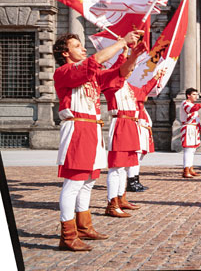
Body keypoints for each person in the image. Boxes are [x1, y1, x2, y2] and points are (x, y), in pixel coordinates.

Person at [52, 28, 143, 252]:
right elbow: (95, 61)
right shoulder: (65, 71)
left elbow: (117, 74)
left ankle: (84, 226)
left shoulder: (89, 74)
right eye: (76, 46)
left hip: (93, 128)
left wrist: (132, 54)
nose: (83, 48)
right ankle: (68, 234)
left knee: (89, 180)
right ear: (65, 53)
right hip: (78, 127)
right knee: (73, 182)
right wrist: (121, 41)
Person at [102, 47, 159, 217]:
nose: (130, 71)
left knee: (126, 166)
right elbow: (119, 69)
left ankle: (121, 198)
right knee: (116, 168)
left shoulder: (129, 87)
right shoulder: (112, 83)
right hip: (121, 123)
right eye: (129, 69)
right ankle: (112, 204)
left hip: (132, 125)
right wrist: (124, 54)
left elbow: (144, 91)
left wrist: (156, 77)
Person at [180, 88, 201, 178]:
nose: (197, 96)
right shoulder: (185, 103)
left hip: (194, 128)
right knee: (188, 150)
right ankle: (186, 170)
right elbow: (192, 109)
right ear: (188, 95)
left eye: (197, 94)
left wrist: (200, 129)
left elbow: (197, 118)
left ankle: (191, 168)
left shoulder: (192, 104)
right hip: (188, 127)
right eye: (194, 94)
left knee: (193, 150)